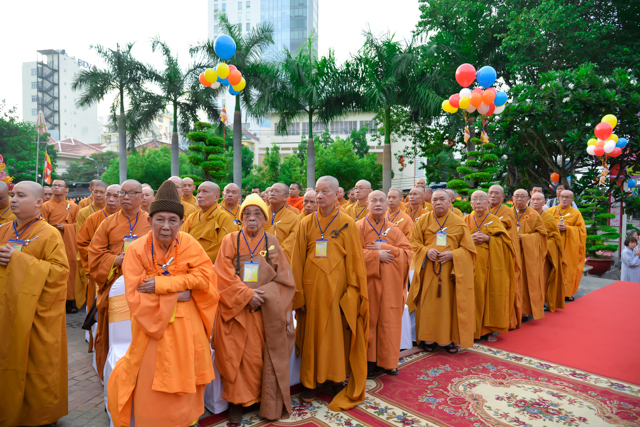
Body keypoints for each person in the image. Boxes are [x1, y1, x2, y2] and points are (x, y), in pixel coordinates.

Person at [107, 180, 219, 427]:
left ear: (181, 222)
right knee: (151, 380)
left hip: (187, 327)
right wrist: (178, 294)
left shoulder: (189, 243)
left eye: (172, 221)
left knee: (187, 376)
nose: (166, 227)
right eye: (160, 220)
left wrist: (162, 285)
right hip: (152, 328)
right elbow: (135, 293)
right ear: (149, 221)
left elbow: (205, 278)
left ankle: (187, 420)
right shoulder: (137, 249)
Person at [213, 194, 295, 425]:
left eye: (257, 214)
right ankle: (237, 402)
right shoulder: (230, 239)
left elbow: (284, 278)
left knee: (261, 356)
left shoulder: (272, 241)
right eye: (247, 214)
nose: (252, 218)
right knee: (236, 357)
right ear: (241, 218)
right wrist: (246, 295)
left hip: (264, 311)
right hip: (235, 310)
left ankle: (264, 399)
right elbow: (222, 274)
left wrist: (263, 296)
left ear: (265, 219)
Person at [291, 176, 368, 410]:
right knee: (312, 336)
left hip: (338, 292)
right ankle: (311, 382)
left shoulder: (347, 223)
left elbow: (355, 260)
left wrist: (353, 292)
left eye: (325, 191)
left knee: (336, 336)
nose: (319, 195)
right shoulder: (305, 222)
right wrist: (298, 294)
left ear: (337, 195)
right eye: (317, 191)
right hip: (311, 292)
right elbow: (297, 260)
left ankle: (335, 379)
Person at [0, 181, 69, 427]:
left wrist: (18, 260)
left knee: (37, 364)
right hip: (6, 311)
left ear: (39, 202)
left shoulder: (49, 233)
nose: (14, 200)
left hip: (35, 314)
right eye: (13, 195)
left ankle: (38, 416)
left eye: (21, 195)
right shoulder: (3, 229)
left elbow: (60, 273)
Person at [88, 180, 150, 380]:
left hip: (143, 287)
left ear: (142, 196)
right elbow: (94, 253)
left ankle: (143, 373)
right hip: (113, 285)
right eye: (123, 193)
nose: (126, 197)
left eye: (131, 193)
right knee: (113, 333)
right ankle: (112, 376)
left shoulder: (150, 221)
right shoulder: (108, 223)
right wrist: (116, 260)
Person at [408, 190, 476, 353]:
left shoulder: (459, 222)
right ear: (430, 202)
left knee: (447, 305)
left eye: (442, 199)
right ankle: (428, 338)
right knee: (428, 304)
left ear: (449, 202)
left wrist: (453, 255)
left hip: (450, 272)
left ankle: (447, 339)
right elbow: (414, 241)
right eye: (435, 200)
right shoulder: (423, 220)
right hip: (428, 270)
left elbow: (469, 249)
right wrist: (426, 251)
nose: (438, 202)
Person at [357, 191, 412, 377]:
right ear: (367, 204)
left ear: (387, 205)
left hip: (389, 287)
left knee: (389, 323)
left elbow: (408, 253)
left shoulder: (394, 230)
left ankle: (388, 361)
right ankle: (369, 362)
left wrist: (386, 248)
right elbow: (351, 254)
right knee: (369, 322)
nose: (378, 203)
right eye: (374, 200)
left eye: (382, 200)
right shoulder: (358, 227)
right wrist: (375, 256)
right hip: (368, 285)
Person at [464, 190, 515, 342]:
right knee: (470, 296)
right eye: (475, 199)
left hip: (490, 265)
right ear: (470, 203)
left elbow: (506, 243)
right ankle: (469, 329)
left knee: (489, 295)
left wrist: (488, 238)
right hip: (469, 265)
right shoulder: (465, 219)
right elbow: (456, 239)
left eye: (482, 199)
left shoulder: (494, 219)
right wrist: (469, 238)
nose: (478, 202)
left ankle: (488, 330)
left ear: (487, 203)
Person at [77, 184, 121, 352]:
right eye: (108, 195)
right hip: (100, 271)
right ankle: (96, 341)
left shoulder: (132, 219)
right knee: (97, 309)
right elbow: (82, 244)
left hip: (123, 273)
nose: (111, 199)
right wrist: (102, 262)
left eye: (116, 196)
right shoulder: (93, 218)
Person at [41, 179, 80, 313]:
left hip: (68, 243)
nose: (56, 187)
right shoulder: (45, 206)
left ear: (66, 190)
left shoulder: (73, 207)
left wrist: (66, 227)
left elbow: (79, 225)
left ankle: (70, 299)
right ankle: (54, 299)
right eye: (54, 185)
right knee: (52, 269)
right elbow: (41, 224)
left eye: (59, 185)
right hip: (52, 242)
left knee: (71, 268)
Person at [488, 184, 522, 329]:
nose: (493, 195)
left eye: (497, 193)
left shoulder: (507, 211)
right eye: (490, 193)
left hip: (502, 253)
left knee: (501, 287)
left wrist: (488, 235)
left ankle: (503, 320)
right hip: (484, 254)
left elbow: (507, 234)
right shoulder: (482, 209)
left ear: (503, 197)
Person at [513, 189, 548, 322]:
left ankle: (524, 310)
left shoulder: (534, 215)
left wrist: (524, 238)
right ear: (512, 198)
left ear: (528, 199)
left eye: (522, 196)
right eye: (517, 196)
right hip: (509, 253)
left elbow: (542, 235)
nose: (519, 199)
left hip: (526, 255)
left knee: (525, 282)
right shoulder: (507, 213)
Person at [181, 181, 234, 264]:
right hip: (188, 262)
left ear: (216, 197)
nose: (199, 195)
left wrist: (197, 260)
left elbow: (223, 247)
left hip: (211, 265)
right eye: (198, 192)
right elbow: (181, 240)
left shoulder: (224, 218)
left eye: (205, 192)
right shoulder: (192, 217)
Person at [75, 181, 109, 308]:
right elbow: (80, 238)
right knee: (92, 293)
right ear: (92, 193)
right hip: (91, 255)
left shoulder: (115, 211)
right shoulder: (83, 212)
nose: (98, 195)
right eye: (96, 192)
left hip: (110, 256)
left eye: (102, 192)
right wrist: (95, 255)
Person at [531, 192, 566, 311]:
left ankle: (541, 302)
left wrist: (542, 244)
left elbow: (555, 237)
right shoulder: (526, 215)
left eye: (538, 200)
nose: (535, 202)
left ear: (544, 202)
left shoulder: (548, 218)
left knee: (542, 279)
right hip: (528, 252)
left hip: (543, 253)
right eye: (533, 199)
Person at [551, 190, 586, 301]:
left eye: (567, 197)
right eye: (562, 196)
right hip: (553, 245)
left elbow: (582, 231)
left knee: (568, 269)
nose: (564, 199)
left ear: (572, 200)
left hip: (569, 247)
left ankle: (567, 293)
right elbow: (543, 225)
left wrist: (568, 228)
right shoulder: (551, 211)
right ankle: (551, 292)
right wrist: (554, 226)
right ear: (558, 197)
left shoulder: (576, 214)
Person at [265, 183, 301, 263]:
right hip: (261, 257)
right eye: (271, 191)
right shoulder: (261, 214)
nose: (272, 193)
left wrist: (275, 253)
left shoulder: (294, 218)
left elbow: (292, 241)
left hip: (282, 261)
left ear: (285, 197)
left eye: (277, 191)